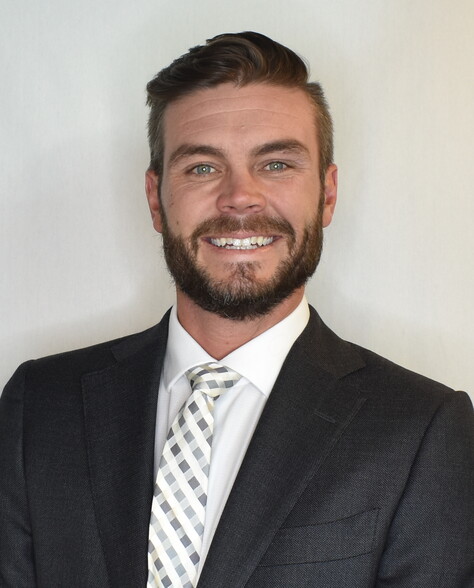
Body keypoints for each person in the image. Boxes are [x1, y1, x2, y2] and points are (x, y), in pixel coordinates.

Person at [0, 31, 472, 588]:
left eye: (276, 164)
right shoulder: (39, 406)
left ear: (327, 194)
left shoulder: (423, 430)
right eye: (202, 167)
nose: (240, 196)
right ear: (156, 199)